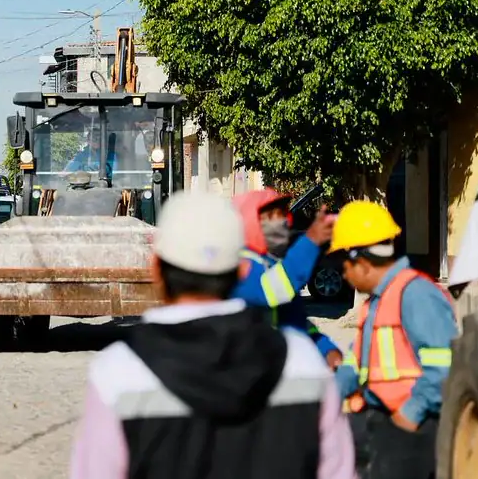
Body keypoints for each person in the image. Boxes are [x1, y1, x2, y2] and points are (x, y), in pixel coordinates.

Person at [69, 190, 355, 479]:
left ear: (155, 269)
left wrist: (324, 343)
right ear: (241, 268)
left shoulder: (117, 373)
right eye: (267, 216)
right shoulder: (304, 365)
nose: (278, 222)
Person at [329, 201, 456, 479]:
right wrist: (327, 401)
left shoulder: (416, 294)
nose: (343, 276)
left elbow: (445, 365)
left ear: (361, 263)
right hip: (380, 418)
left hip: (413, 425)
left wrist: (412, 412)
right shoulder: (377, 301)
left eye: (343, 266)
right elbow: (355, 362)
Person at [230, 189, 343, 367]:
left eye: (283, 213)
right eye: (271, 215)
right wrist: (310, 241)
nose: (281, 221)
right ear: (248, 219)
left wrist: (325, 349)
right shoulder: (236, 265)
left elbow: (296, 321)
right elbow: (269, 291)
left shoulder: (272, 264)